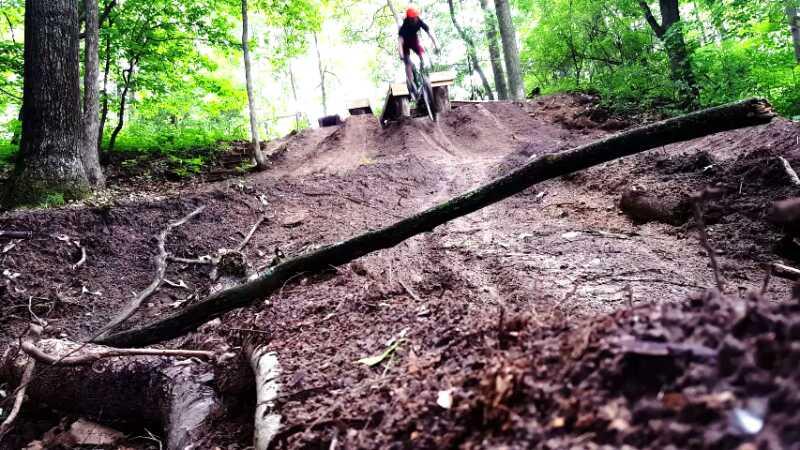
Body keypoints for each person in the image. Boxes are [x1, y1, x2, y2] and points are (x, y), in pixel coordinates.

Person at [398, 6, 439, 97]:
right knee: (408, 63)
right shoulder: (404, 27)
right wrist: (401, 54)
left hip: (414, 41)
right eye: (414, 18)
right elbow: (400, 42)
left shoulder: (419, 21)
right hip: (405, 45)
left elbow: (429, 33)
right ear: (409, 19)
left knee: (422, 55)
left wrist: (436, 44)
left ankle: (423, 71)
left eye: (417, 17)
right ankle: (410, 82)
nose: (416, 19)